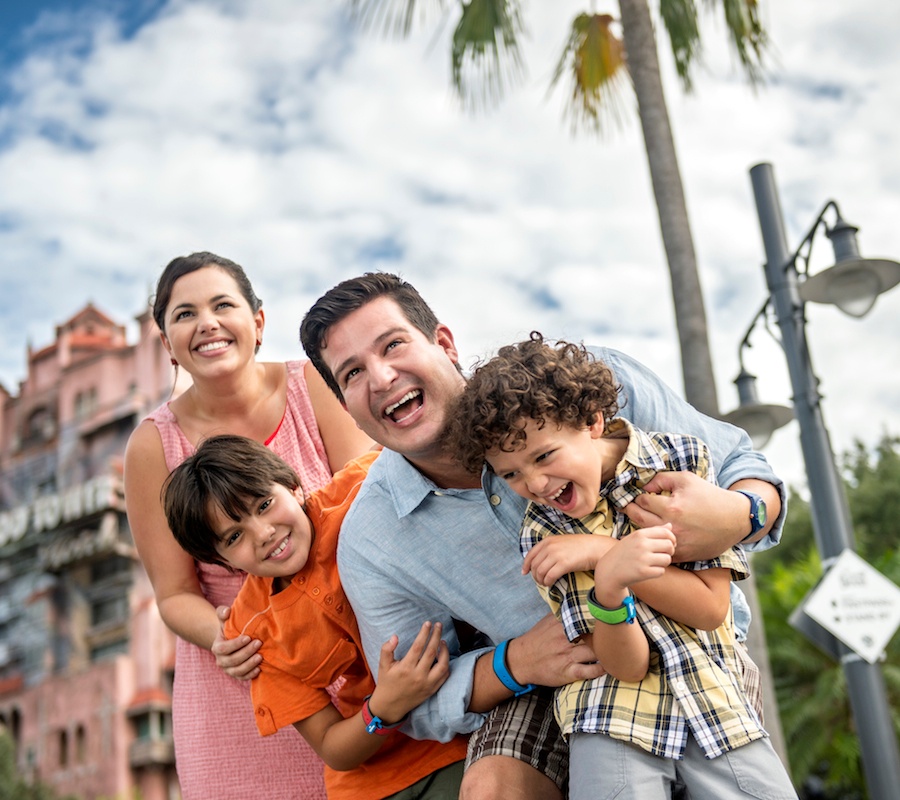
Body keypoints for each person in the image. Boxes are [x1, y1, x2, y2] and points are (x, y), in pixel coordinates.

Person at [298, 272, 786, 800]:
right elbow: (416, 700)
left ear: (443, 342)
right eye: (352, 373)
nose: (382, 376)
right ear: (345, 405)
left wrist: (741, 510)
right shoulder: (374, 539)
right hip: (553, 682)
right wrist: (514, 664)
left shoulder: (580, 384)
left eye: (393, 344)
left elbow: (739, 460)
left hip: (693, 641)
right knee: (492, 790)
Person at [445, 333, 797, 799]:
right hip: (609, 716)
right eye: (510, 474)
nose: (534, 482)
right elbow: (623, 665)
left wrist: (604, 553)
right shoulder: (543, 533)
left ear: (591, 422)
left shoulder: (681, 463)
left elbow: (711, 609)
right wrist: (609, 593)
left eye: (544, 456)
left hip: (714, 704)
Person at [123, 252, 373, 799]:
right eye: (184, 314)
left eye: (222, 305)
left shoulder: (313, 385)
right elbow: (174, 593)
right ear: (167, 344)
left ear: (257, 322)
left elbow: (367, 503)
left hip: (355, 646)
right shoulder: (151, 447)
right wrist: (228, 638)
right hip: (243, 677)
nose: (207, 323)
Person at [162, 435, 468, 799]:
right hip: (371, 783)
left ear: (293, 485)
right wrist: (386, 706)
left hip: (458, 737)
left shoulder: (361, 490)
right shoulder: (256, 631)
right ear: (223, 562)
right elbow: (331, 746)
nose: (263, 533)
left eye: (264, 504)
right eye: (233, 537)